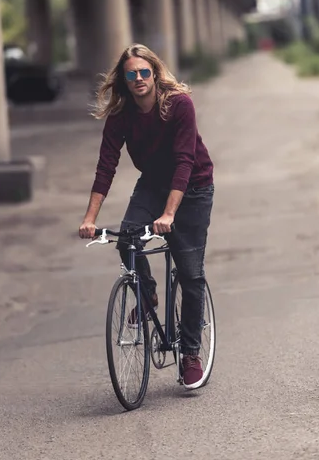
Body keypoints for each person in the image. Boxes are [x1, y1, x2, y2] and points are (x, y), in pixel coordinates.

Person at [79, 43, 214, 389]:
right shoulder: (122, 115)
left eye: (144, 72)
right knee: (126, 240)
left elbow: (185, 160)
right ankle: (147, 292)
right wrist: (89, 219)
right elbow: (105, 166)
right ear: (123, 80)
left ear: (154, 73)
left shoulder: (178, 105)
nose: (138, 78)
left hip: (193, 186)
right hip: (153, 183)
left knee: (190, 272)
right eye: (131, 74)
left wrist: (170, 213)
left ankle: (190, 354)